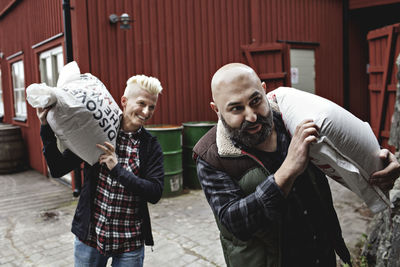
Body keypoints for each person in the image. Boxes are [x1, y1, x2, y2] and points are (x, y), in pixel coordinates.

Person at [193, 63, 400, 267]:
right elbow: (235, 223)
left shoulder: (291, 118)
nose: (252, 116)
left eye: (256, 100)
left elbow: (344, 143)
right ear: (217, 110)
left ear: (264, 91)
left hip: (322, 256)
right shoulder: (210, 155)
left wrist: (379, 158)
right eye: (236, 108)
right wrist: (287, 171)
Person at [37, 75, 164, 267]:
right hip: (90, 239)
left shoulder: (150, 146)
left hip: (130, 242)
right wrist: (45, 127)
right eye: (141, 103)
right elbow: (58, 168)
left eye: (152, 106)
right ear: (124, 101)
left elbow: (154, 192)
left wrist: (117, 169)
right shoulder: (96, 130)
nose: (146, 111)